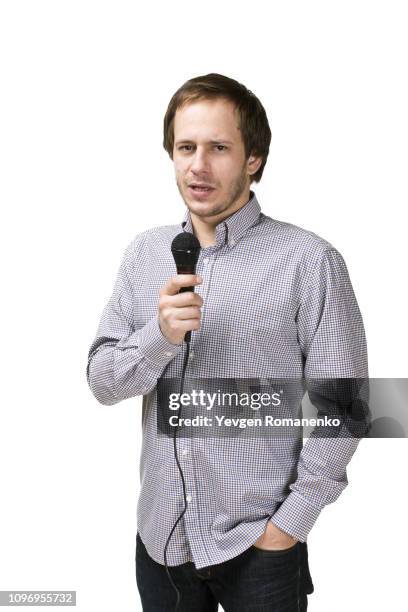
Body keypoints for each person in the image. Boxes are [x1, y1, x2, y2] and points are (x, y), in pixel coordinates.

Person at [87, 73, 368, 611]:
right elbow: (102, 381)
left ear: (253, 159)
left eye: (219, 147)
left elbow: (345, 405)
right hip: (162, 542)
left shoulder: (310, 261)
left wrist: (289, 524)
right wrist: (160, 336)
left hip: (259, 548)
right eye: (186, 147)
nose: (198, 165)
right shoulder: (144, 254)